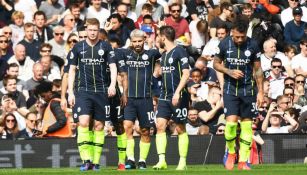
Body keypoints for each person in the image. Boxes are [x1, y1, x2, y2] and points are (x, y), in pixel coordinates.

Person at [213, 17, 264, 170]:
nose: (240, 39)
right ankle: (230, 152)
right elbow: (215, 63)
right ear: (232, 33)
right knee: (230, 125)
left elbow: (258, 70)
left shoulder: (253, 45)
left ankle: (243, 161)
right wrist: (228, 71)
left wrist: (261, 92)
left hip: (248, 90)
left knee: (248, 127)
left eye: (242, 37)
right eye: (237, 36)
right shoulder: (224, 43)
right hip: (230, 90)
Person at [68, 18, 117, 171]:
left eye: (95, 30)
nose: (93, 32)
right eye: (90, 30)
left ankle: (95, 162)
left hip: (101, 91)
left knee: (99, 126)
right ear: (86, 30)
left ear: (98, 30)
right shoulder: (78, 47)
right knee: (83, 122)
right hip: (83, 91)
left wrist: (112, 85)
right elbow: (71, 70)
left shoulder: (106, 46)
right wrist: (70, 92)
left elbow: (113, 66)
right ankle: (85, 160)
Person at [153, 26, 190, 170]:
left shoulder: (180, 51)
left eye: (158, 36)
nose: (157, 38)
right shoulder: (164, 54)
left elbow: (186, 74)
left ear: (163, 37)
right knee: (160, 126)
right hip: (164, 96)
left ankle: (182, 162)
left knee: (180, 128)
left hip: (179, 96)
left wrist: (177, 92)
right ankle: (162, 161)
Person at [123, 29, 160, 170]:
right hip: (129, 98)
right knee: (127, 126)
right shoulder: (125, 53)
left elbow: (163, 48)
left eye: (140, 41)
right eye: (134, 41)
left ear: (144, 40)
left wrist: (156, 35)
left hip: (146, 98)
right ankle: (131, 159)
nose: (137, 44)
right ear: (131, 42)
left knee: (145, 130)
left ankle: (142, 160)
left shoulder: (152, 53)